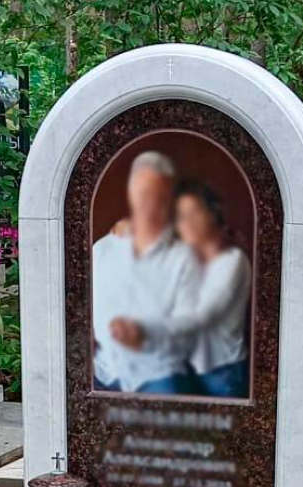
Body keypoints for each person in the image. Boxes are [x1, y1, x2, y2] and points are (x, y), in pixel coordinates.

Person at [109, 181, 251, 397]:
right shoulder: (184, 259)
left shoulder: (232, 261)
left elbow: (200, 317)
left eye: (194, 212)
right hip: (188, 372)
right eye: (181, 217)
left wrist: (141, 329)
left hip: (222, 376)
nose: (188, 222)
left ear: (213, 213)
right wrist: (132, 229)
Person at [92, 152, 201, 394]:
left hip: (158, 375)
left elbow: (189, 326)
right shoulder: (102, 250)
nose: (149, 204)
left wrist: (143, 334)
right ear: (131, 192)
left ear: (170, 199)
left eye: (158, 195)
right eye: (143, 193)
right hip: (103, 373)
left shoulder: (184, 258)